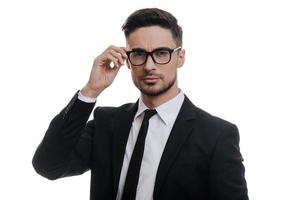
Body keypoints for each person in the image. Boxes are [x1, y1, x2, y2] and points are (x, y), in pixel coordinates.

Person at [32, 8, 248, 200]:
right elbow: (48, 165)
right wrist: (91, 90)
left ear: (180, 57)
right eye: (139, 54)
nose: (149, 66)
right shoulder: (106, 123)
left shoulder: (216, 135)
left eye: (161, 53)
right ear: (127, 59)